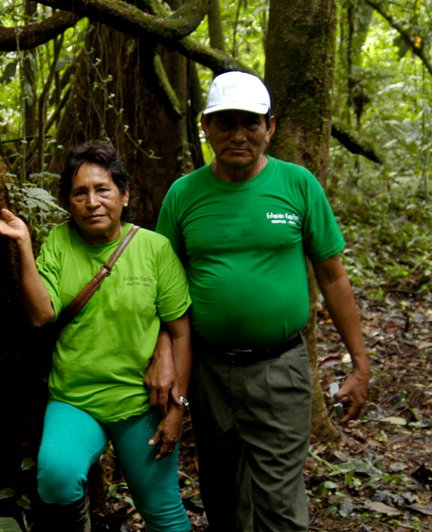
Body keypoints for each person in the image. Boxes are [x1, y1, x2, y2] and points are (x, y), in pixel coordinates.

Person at [155, 71, 370, 531]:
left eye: (250, 123)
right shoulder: (183, 194)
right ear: (206, 126)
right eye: (226, 122)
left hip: (280, 369)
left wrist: (360, 364)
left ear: (269, 128)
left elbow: (333, 276)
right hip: (209, 371)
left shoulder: (297, 185)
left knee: (279, 505)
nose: (239, 135)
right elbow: (163, 288)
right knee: (222, 495)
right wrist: (164, 356)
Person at [0, 140, 192, 532]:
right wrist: (24, 245)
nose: (92, 202)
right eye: (80, 193)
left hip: (141, 403)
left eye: (103, 190)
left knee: (163, 512)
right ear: (69, 201)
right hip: (75, 400)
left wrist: (177, 409)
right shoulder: (60, 242)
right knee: (57, 477)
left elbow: (180, 333)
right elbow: (41, 314)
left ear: (124, 195)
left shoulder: (155, 249)